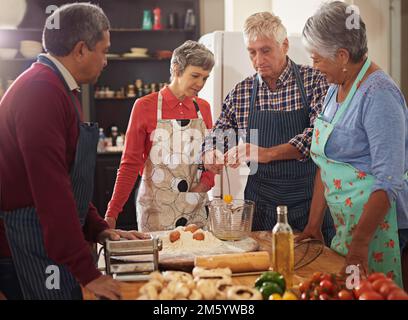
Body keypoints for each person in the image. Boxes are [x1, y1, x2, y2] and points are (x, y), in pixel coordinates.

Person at [0, 3, 147, 300]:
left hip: (48, 238)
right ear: (81, 50)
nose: (106, 60)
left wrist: (98, 228)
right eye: (103, 51)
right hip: (28, 241)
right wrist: (88, 273)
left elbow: (67, 181)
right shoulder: (41, 91)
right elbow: (50, 189)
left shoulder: (59, 87)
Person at [296, 1, 408, 288]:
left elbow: (388, 179)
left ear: (342, 55)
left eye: (317, 58)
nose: (313, 65)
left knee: (377, 292)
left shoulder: (379, 95)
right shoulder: (335, 88)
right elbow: (325, 162)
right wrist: (313, 225)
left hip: (378, 231)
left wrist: (360, 245)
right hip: (346, 225)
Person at [202, 12, 335, 244]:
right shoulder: (241, 93)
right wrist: (210, 153)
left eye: (265, 50)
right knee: (263, 271)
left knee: (316, 271)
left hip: (309, 203)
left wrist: (265, 153)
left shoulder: (315, 81)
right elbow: (220, 135)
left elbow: (317, 136)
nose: (258, 59)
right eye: (251, 52)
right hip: (261, 206)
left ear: (284, 45)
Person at [104, 41, 215, 231]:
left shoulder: (203, 108)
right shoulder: (145, 106)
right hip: (156, 211)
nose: (200, 84)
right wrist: (112, 213)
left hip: (196, 209)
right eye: (195, 76)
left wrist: (201, 187)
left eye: (205, 78)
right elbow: (130, 164)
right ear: (176, 69)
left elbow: (211, 157)